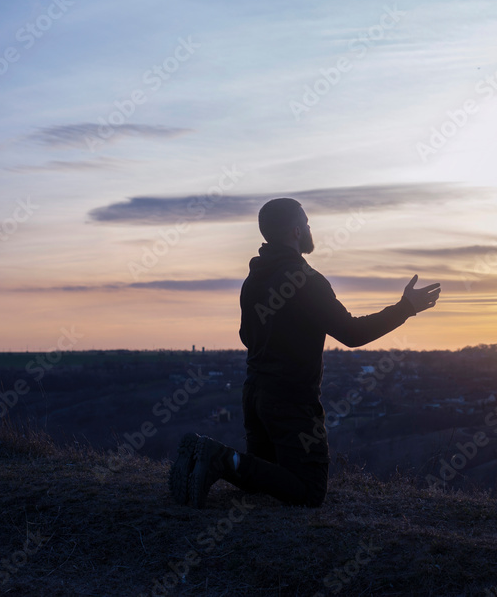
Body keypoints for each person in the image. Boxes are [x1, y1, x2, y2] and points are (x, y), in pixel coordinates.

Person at [170, 197, 440, 508]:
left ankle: (204, 458)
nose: (311, 227)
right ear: (296, 231)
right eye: (308, 222)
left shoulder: (253, 280)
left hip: (255, 397)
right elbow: (352, 334)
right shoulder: (306, 280)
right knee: (309, 491)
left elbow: (247, 336)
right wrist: (406, 308)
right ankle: (215, 455)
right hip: (290, 402)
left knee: (264, 480)